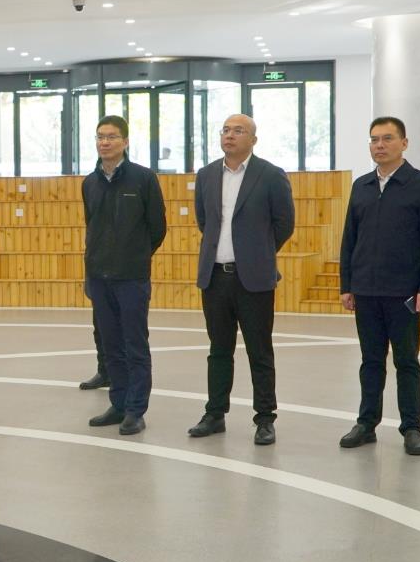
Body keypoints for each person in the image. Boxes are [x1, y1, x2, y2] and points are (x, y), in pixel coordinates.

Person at [338, 116, 420, 456]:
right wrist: (347, 285)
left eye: (387, 138)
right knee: (370, 361)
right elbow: (349, 239)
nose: (380, 145)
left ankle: (411, 427)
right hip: (366, 291)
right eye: (374, 139)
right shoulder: (361, 186)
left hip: (404, 293)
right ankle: (366, 423)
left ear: (404, 143)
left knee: (406, 362)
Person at [188, 114, 295, 445]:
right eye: (226, 130)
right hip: (215, 277)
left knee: (259, 352)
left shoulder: (271, 175)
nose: (230, 135)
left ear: (253, 139)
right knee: (218, 350)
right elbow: (204, 221)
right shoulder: (206, 175)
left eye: (238, 131)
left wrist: (258, 253)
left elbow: (284, 223)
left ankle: (265, 418)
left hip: (254, 279)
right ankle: (215, 414)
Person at [83, 115, 167, 436]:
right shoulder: (89, 183)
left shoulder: (143, 179)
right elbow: (91, 227)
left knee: (135, 344)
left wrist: (136, 256)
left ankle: (135, 409)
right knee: (111, 345)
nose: (104, 142)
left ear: (126, 142)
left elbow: (157, 228)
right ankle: (118, 404)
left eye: (111, 137)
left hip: (131, 277)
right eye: (100, 137)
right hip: (99, 277)